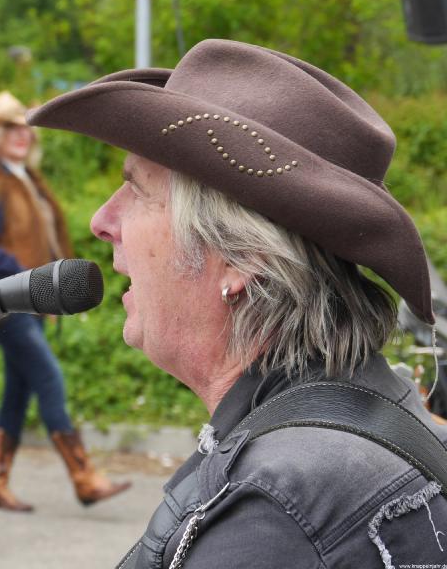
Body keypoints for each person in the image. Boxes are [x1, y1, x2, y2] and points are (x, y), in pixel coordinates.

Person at [27, 38, 447, 568]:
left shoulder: (277, 514)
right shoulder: (374, 410)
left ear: (242, 257)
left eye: (137, 189)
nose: (101, 221)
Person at [0, 91, 131, 513]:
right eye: (10, 129)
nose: (22, 135)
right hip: (2, 302)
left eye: (25, 129)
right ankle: (84, 476)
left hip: (26, 302)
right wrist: (25, 275)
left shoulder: (27, 180)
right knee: (49, 378)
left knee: (18, 390)